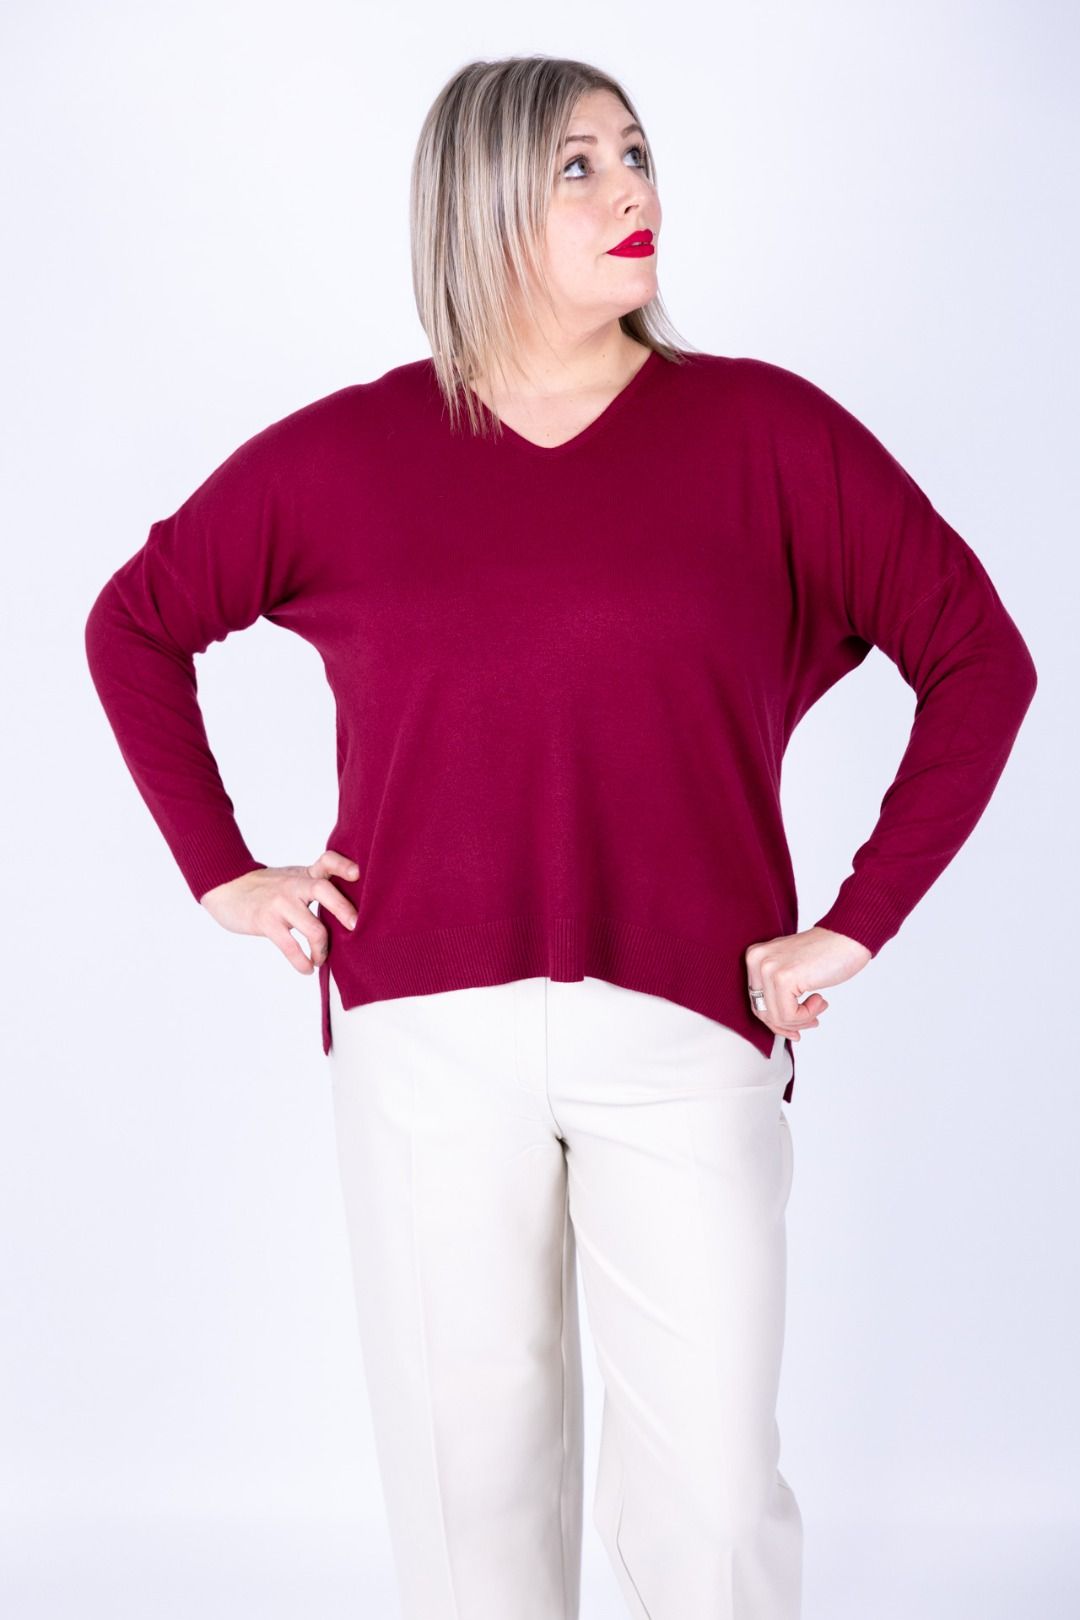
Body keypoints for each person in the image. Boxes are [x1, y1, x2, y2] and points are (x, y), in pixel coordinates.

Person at [84, 54, 1038, 1620]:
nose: (633, 190)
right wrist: (226, 873)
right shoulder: (349, 454)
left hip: (689, 1025)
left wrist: (856, 923)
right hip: (423, 1040)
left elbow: (980, 659)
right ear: (482, 203)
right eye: (579, 165)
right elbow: (136, 622)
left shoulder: (767, 434)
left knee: (713, 1518)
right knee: (473, 1522)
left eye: (636, 153)